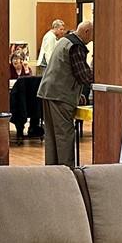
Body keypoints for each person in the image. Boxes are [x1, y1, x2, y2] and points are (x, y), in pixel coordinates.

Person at [37, 20, 93, 166]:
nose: (92, 40)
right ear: (87, 32)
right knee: (64, 136)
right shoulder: (76, 46)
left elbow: (65, 70)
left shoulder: (64, 41)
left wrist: (77, 93)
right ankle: (67, 172)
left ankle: (53, 171)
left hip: (48, 92)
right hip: (60, 96)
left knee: (52, 136)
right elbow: (84, 76)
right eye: (92, 36)